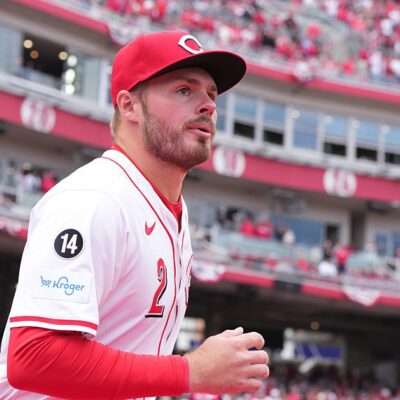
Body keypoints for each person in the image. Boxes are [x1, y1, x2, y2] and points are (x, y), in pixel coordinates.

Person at [0, 30, 269, 399]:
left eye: (211, 94)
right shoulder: (94, 199)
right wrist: (191, 371)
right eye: (183, 90)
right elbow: (33, 357)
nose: (207, 105)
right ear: (129, 106)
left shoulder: (172, 208)